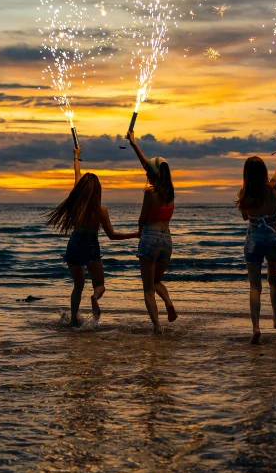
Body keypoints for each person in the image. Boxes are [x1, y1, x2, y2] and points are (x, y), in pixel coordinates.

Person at [46, 145, 139, 326]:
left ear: (81, 189)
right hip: (90, 247)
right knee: (99, 284)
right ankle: (95, 297)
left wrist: (76, 156)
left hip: (74, 246)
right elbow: (112, 236)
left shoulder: (75, 205)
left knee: (78, 286)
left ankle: (73, 320)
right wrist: (136, 234)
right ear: (97, 191)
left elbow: (77, 174)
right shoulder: (101, 211)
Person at [235, 126, 276, 344]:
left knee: (255, 286)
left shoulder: (244, 193)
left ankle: (255, 327)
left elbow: (246, 218)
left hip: (254, 239)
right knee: (273, 280)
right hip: (274, 238)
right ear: (263, 172)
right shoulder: (273, 187)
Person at [126, 130, 177, 334]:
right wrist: (133, 144)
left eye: (149, 171)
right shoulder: (171, 194)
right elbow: (149, 166)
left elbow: (142, 217)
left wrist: (140, 233)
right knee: (156, 281)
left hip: (150, 237)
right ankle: (169, 302)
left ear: (153, 174)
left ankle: (157, 327)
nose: (146, 173)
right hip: (167, 240)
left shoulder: (150, 193)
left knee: (148, 288)